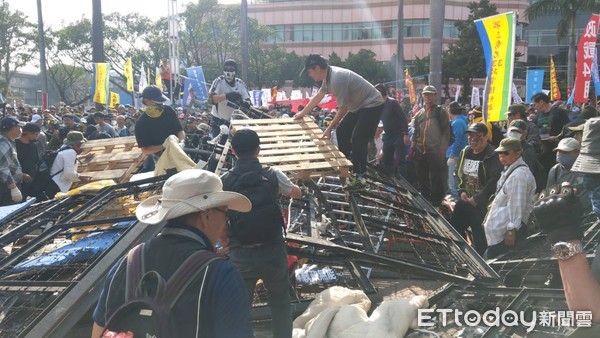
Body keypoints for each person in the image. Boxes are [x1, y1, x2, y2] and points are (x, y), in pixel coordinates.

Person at [91, 169, 253, 338]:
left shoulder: (127, 262)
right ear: (206, 216)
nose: (225, 222)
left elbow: (98, 332)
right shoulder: (219, 273)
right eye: (225, 213)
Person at [221, 129, 302, 338]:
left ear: (233, 151)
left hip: (241, 253)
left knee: (240, 309)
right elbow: (295, 192)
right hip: (273, 251)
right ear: (258, 150)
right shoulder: (272, 174)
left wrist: (225, 240)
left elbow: (219, 214)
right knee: (281, 303)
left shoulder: (225, 180)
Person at [295, 54, 385, 189]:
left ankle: (360, 178)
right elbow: (319, 96)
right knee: (342, 131)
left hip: (372, 104)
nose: (310, 75)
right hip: (359, 105)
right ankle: (347, 163)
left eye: (310, 71)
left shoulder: (337, 79)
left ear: (318, 68)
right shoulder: (328, 76)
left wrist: (329, 128)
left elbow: (342, 109)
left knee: (358, 139)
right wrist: (302, 113)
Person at [450, 122, 502, 255]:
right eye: (470, 137)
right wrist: (461, 190)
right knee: (455, 226)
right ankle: (458, 253)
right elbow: (458, 173)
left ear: (485, 137)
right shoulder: (465, 152)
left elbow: (494, 180)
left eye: (477, 137)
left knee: (480, 236)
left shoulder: (493, 155)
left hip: (483, 204)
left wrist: (479, 198)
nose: (473, 140)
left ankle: (482, 262)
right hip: (466, 200)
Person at [483, 138, 536, 259]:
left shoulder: (518, 175)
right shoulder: (510, 170)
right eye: (500, 153)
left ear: (518, 153)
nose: (502, 156)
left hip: (508, 233)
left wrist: (511, 230)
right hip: (500, 233)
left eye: (506, 153)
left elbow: (517, 204)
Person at [410, 85, 451, 206]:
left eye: (430, 94)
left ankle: (436, 200)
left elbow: (446, 131)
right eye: (425, 94)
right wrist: (412, 147)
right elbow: (416, 132)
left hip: (435, 150)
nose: (427, 97)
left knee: (436, 177)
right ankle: (425, 197)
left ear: (435, 96)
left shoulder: (440, 112)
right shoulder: (419, 114)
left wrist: (443, 148)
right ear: (422, 96)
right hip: (420, 149)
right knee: (421, 176)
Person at [135, 85, 185, 157]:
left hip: (178, 151)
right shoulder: (141, 122)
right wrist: (165, 145)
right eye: (156, 101)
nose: (160, 104)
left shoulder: (168, 110)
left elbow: (180, 130)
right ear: (146, 101)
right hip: (158, 157)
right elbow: (145, 150)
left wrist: (182, 142)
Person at [208, 59, 251, 138]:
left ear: (235, 71)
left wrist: (243, 103)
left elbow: (248, 100)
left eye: (231, 70)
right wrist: (227, 96)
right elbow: (211, 99)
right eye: (226, 69)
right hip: (218, 120)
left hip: (234, 120)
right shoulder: (219, 81)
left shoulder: (240, 83)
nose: (228, 72)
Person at [43, 131, 93, 199]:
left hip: (52, 182)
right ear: (77, 144)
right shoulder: (71, 152)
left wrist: (84, 156)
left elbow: (69, 159)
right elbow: (68, 173)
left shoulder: (64, 148)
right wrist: (80, 177)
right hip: (58, 185)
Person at [546, 137, 591, 211]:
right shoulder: (555, 171)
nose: (561, 155)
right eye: (559, 152)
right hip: (566, 214)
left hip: (589, 213)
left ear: (577, 152)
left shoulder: (588, 168)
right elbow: (550, 195)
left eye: (566, 152)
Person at [375, 83, 409, 178]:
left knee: (400, 160)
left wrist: (405, 134)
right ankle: (389, 181)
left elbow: (403, 118)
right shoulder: (378, 105)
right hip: (388, 135)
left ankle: (402, 181)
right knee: (387, 160)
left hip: (398, 134)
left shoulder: (392, 102)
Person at [531, 92, 571, 172]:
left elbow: (568, 128)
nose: (534, 107)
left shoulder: (559, 112)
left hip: (556, 149)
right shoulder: (538, 115)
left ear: (542, 102)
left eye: (535, 104)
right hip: (542, 150)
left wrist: (557, 137)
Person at [446, 101, 469, 198]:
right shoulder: (461, 120)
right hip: (457, 154)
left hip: (455, 155)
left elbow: (457, 141)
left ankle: (456, 200)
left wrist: (452, 155)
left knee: (453, 180)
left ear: (450, 111)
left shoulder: (457, 122)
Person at [0, 116, 25, 206]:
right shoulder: (3, 142)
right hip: (5, 188)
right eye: (19, 127)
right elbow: (2, 168)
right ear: (13, 129)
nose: (21, 129)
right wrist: (13, 187)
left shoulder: (7, 141)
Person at [15, 123, 41, 200]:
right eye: (36, 134)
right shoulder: (14, 144)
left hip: (28, 183)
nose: (37, 137)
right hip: (15, 182)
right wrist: (22, 174)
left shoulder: (33, 146)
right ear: (29, 133)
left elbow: (36, 161)